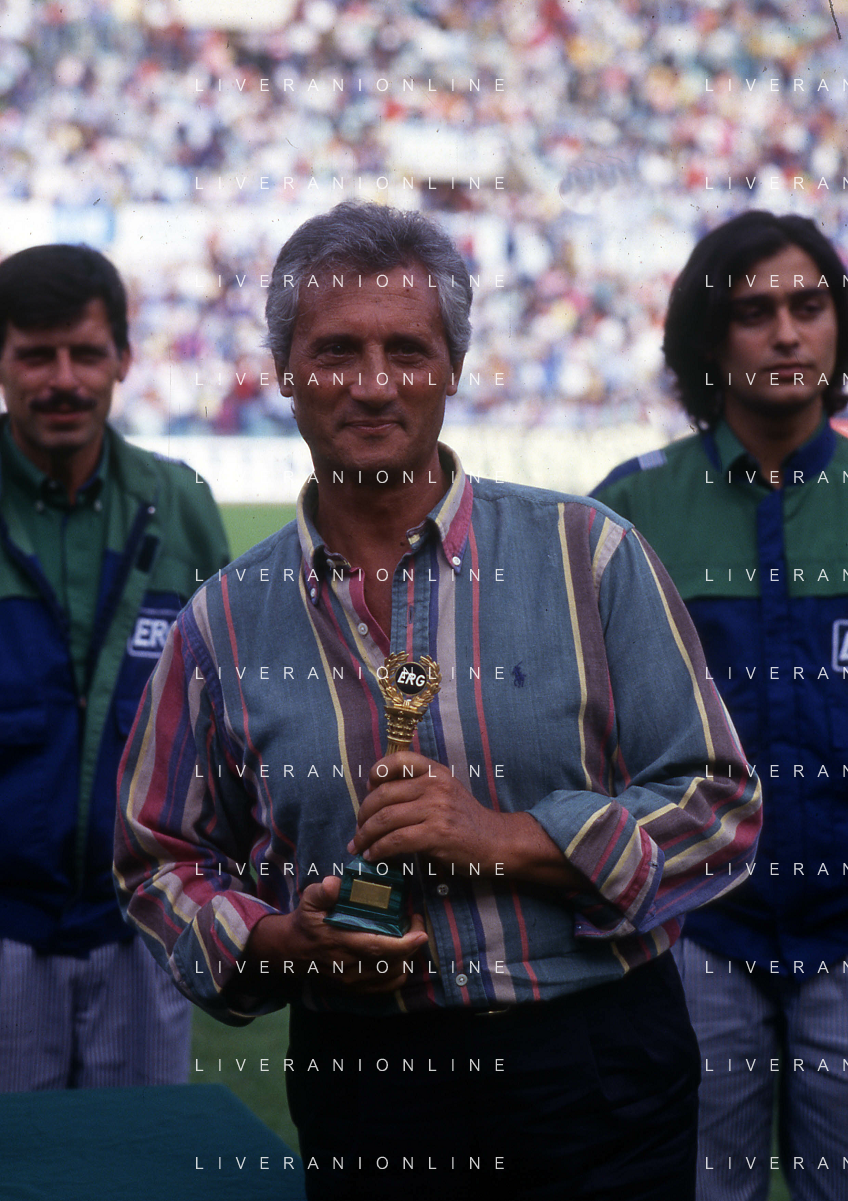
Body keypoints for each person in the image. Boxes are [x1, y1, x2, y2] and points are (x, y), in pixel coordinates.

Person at [116, 201, 761, 1201]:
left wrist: (510, 839)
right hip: (365, 1080)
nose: (373, 383)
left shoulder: (589, 556)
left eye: (407, 350)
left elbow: (717, 803)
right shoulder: (224, 621)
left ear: (453, 367)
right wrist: (287, 944)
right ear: (283, 370)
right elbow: (158, 858)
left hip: (597, 1065)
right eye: (336, 350)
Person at [594, 210, 848, 1201]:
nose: (785, 333)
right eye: (752, 312)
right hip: (693, 933)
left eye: (808, 306)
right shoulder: (630, 510)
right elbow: (585, 731)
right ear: (707, 340)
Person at [0, 243, 229, 1091]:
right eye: (36, 354)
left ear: (124, 359)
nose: (63, 379)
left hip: (142, 925)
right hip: (3, 931)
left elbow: (225, 714)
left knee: (133, 1156)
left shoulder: (183, 505)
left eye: (86, 353)